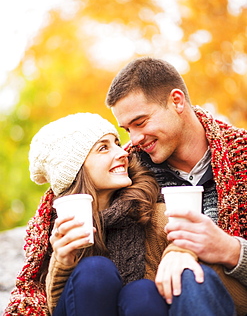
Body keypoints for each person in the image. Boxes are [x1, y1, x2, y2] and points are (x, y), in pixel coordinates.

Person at [4, 112, 228, 316]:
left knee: (142, 292)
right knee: (95, 271)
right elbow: (52, 308)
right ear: (75, 171)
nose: (123, 153)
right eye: (103, 147)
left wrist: (183, 249)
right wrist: (62, 262)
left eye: (117, 143)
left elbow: (210, 286)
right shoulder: (58, 229)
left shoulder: (153, 214)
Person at [106, 57, 247, 316]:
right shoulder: (125, 170)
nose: (135, 139)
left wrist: (231, 250)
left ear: (177, 101)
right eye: (127, 129)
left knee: (192, 278)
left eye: (141, 122)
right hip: (148, 304)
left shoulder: (242, 156)